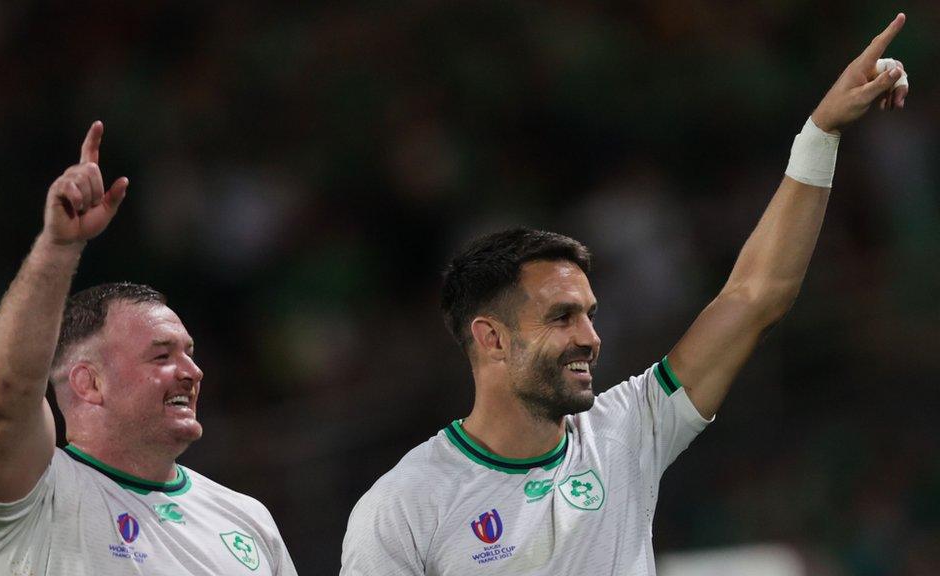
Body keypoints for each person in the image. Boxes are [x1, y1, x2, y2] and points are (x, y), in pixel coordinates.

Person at [340, 14, 910, 576]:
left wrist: (821, 133)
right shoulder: (403, 508)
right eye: (561, 317)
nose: (590, 338)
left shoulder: (627, 431)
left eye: (589, 314)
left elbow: (755, 297)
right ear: (491, 337)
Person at [0, 122, 298, 575]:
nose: (192, 371)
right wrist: (59, 246)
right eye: (161, 356)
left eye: (189, 352)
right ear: (89, 383)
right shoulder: (39, 495)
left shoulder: (249, 520)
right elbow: (6, 396)